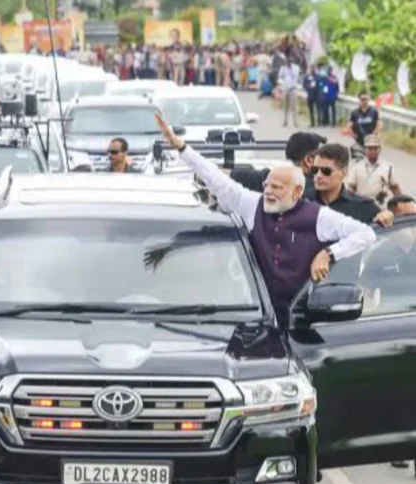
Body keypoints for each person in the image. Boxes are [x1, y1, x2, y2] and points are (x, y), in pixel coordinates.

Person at [155, 112, 376, 325]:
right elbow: (215, 179)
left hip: (302, 317)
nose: (269, 192)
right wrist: (180, 146)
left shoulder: (318, 216)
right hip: (256, 315)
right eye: (267, 186)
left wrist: (327, 254)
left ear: (297, 192)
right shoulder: (253, 204)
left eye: (277, 188)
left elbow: (366, 234)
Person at [309, 142, 394, 227]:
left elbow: (387, 223)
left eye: (326, 171)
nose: (318, 176)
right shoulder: (301, 200)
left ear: (344, 172)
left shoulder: (363, 207)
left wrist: (387, 215)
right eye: (315, 170)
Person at [231, 131, 326, 199]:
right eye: (323, 157)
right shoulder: (317, 190)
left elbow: (235, 175)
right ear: (308, 160)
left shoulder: (267, 178)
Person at [346, 135, 402, 207]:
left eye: (375, 148)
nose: (373, 151)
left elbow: (395, 187)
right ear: (365, 149)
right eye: (370, 148)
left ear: (380, 149)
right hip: (361, 205)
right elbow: (351, 189)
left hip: (380, 206)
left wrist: (402, 203)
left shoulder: (388, 167)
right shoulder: (357, 167)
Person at [279, 57, 300, 128]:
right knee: (285, 106)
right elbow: (280, 76)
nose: (288, 63)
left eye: (289, 62)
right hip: (285, 88)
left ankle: (295, 122)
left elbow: (295, 75)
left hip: (293, 89)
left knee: (294, 106)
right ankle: (285, 121)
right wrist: (284, 69)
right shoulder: (283, 68)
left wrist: (290, 69)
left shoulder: (296, 68)